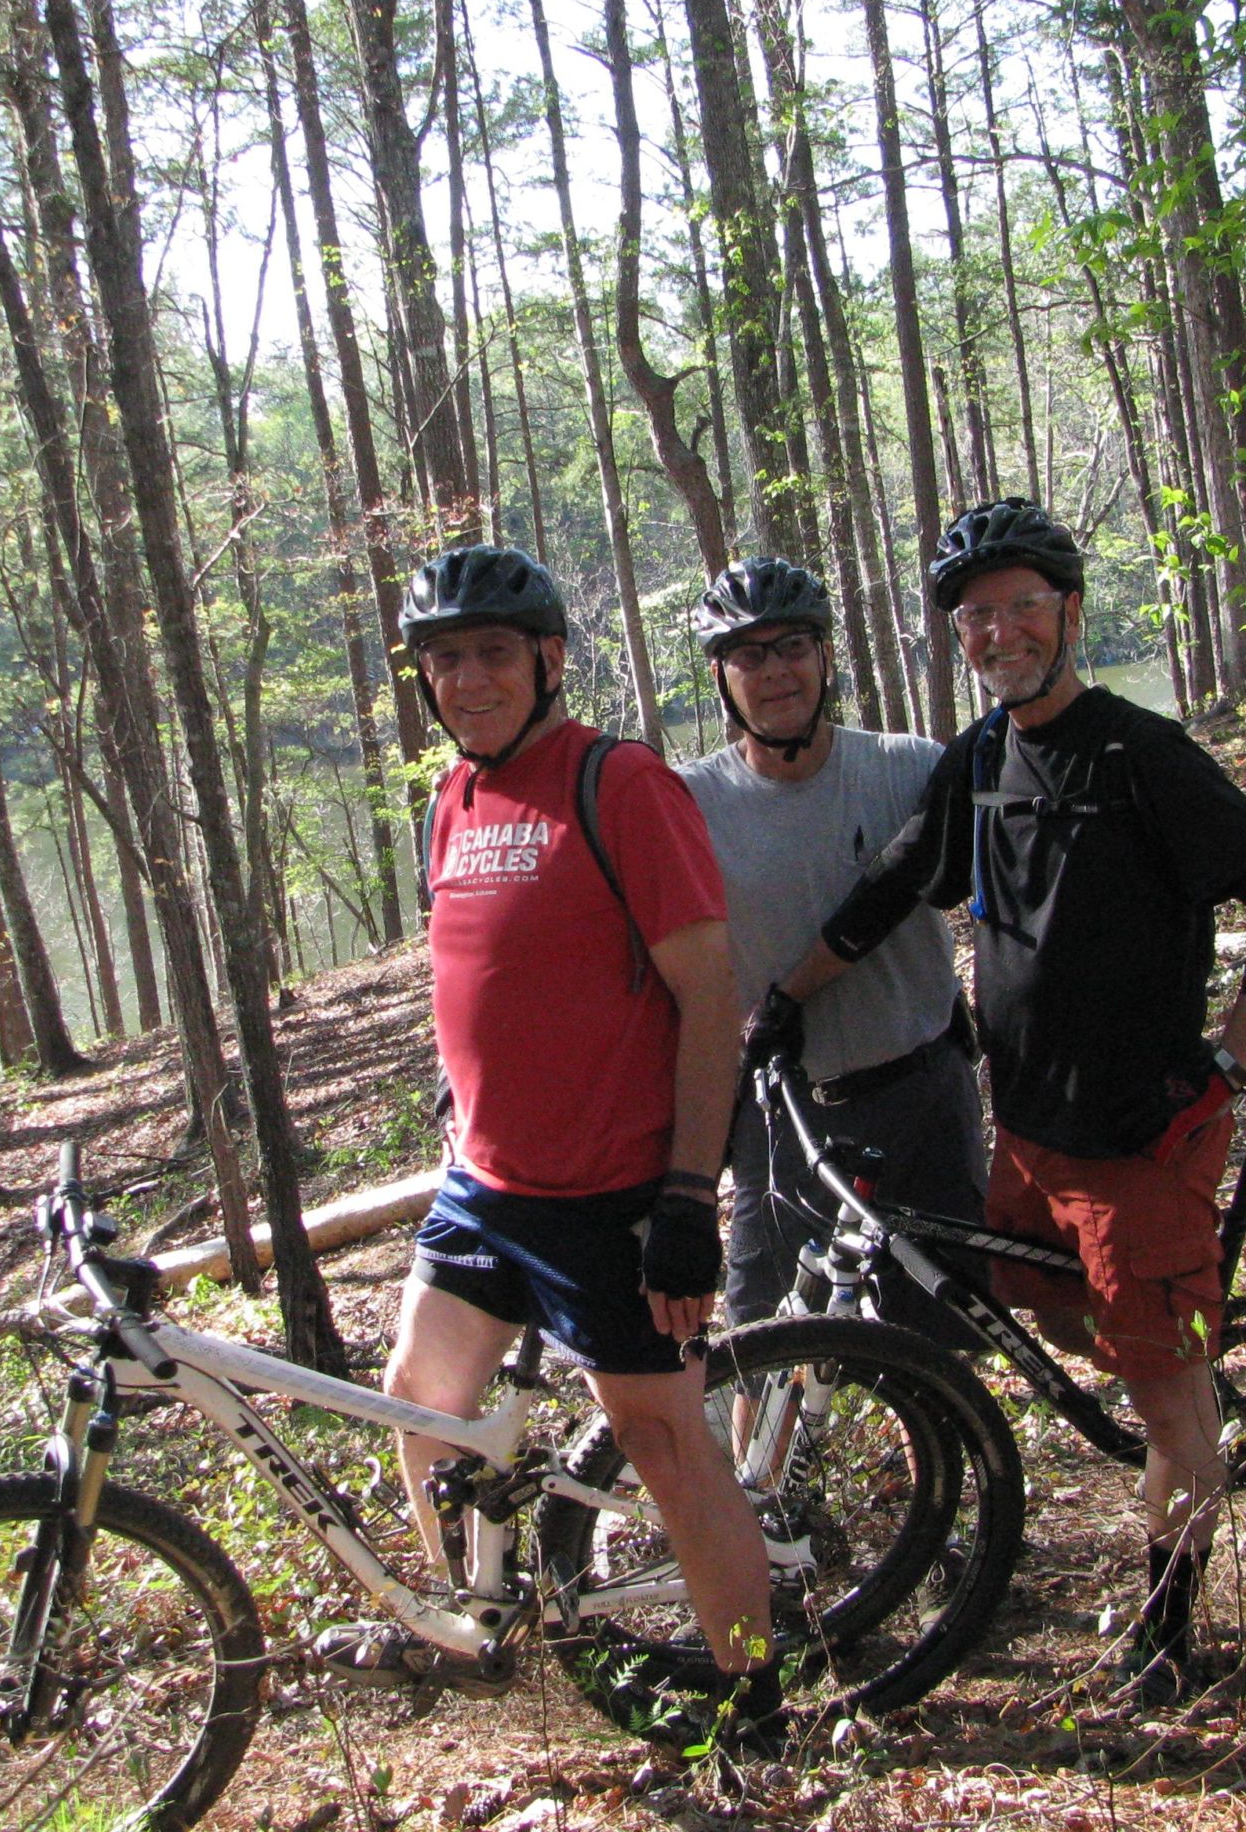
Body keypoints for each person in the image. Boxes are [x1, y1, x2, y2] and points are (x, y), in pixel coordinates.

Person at [753, 499, 1246, 1706]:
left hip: (1136, 1136)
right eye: (976, 617)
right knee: (1040, 1311)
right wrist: (784, 1002)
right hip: (1027, 1127)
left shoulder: (1139, 754)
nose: (1000, 632)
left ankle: (1168, 1637)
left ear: (1067, 613)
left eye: (1021, 607)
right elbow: (888, 887)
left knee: (1164, 1401)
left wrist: (1233, 1054)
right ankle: (1195, 1394)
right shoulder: (980, 758)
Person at [318, 544, 779, 1733]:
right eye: (442, 661)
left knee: (664, 1444)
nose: (465, 681)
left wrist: (686, 1198)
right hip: (486, 1184)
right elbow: (487, 971)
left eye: (488, 655)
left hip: (612, 1194)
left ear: (548, 659)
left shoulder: (617, 784)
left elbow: (711, 995)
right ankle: (474, 1627)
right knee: (419, 1398)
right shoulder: (453, 797)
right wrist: (461, 1097)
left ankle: (753, 1703)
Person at [675, 557, 986, 1338]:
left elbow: (1003, 906)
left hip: (922, 1097)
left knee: (944, 1334)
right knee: (758, 1338)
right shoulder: (686, 804)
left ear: (824, 658)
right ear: (720, 675)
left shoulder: (909, 768)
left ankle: (948, 1459)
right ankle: (759, 1466)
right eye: (750, 655)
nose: (776, 672)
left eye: (793, 648)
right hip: (784, 1113)